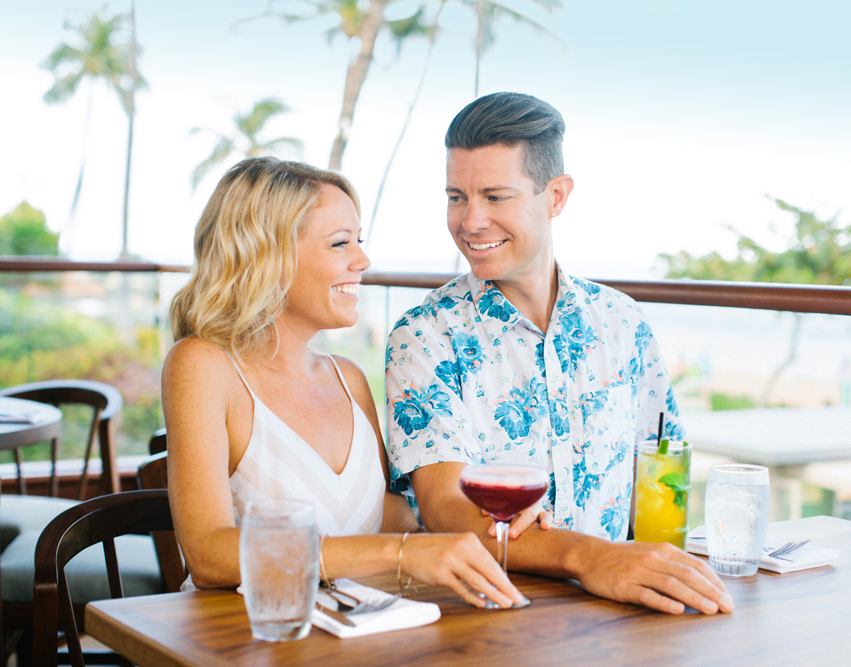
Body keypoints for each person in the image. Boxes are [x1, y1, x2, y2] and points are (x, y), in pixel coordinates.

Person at [385, 92, 734, 615]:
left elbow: (660, 470)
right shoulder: (423, 337)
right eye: (456, 196)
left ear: (556, 196)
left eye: (495, 197)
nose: (470, 221)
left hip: (628, 612)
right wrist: (590, 559)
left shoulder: (624, 322)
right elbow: (444, 509)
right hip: (487, 616)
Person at [162, 156, 529, 608]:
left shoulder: (349, 379)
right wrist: (399, 554)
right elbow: (208, 555)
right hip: (248, 641)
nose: (363, 259)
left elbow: (398, 524)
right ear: (265, 255)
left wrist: (496, 522)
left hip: (355, 635)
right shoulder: (202, 365)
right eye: (339, 243)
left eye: (358, 240)